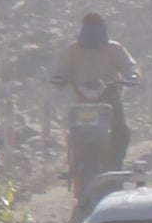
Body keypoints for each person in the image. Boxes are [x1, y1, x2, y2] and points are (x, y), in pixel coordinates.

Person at [53, 13, 139, 189]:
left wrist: (132, 76)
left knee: (122, 132)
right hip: (81, 104)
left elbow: (130, 66)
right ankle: (73, 165)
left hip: (110, 103)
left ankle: (116, 167)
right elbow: (61, 69)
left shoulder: (115, 50)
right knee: (72, 133)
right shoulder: (72, 51)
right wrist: (58, 78)